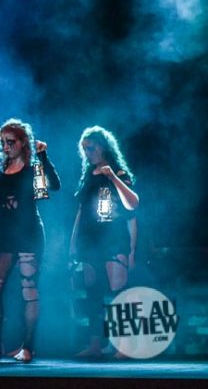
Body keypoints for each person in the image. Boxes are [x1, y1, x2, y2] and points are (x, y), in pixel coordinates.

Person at [0, 118, 60, 363]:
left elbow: (54, 186)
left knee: (29, 290)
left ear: (23, 142)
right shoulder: (3, 170)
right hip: (5, 235)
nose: (6, 147)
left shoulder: (33, 167)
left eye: (10, 142)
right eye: (2, 142)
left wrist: (43, 156)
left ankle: (28, 347)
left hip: (28, 233)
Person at [69, 126, 138, 358]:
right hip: (89, 241)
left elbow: (132, 209)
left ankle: (123, 345)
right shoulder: (88, 175)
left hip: (113, 240)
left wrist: (132, 251)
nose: (87, 153)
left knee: (118, 293)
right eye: (84, 149)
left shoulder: (118, 172)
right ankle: (95, 344)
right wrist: (72, 245)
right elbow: (80, 213)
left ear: (102, 146)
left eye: (90, 148)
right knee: (93, 293)